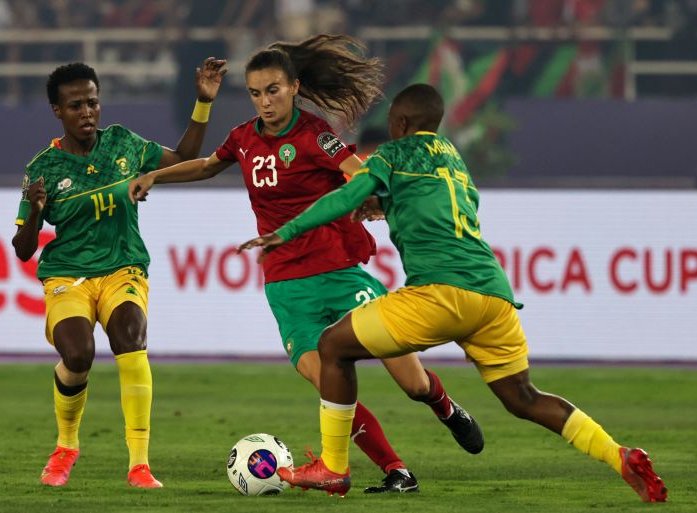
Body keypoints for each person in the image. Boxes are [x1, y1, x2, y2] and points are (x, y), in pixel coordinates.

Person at [238, 83, 668, 502]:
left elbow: (345, 196)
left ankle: (333, 468)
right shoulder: (453, 158)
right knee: (524, 398)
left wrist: (287, 232)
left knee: (333, 346)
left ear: (402, 121)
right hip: (494, 298)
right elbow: (423, 204)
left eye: (391, 122)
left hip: (440, 293)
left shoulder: (393, 153)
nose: (389, 130)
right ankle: (620, 455)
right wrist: (386, 205)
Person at [128, 35, 484, 493]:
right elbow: (206, 165)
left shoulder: (314, 134)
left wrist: (372, 196)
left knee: (412, 382)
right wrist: (156, 174)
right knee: (331, 388)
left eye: (273, 90)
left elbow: (356, 170)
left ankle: (446, 408)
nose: (264, 101)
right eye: (256, 93)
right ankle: (397, 470)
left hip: (339, 273)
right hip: (286, 286)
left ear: (294, 86)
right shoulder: (242, 138)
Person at [12, 59, 227, 488]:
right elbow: (22, 250)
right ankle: (67, 445)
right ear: (58, 110)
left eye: (92, 102)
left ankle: (140, 465)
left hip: (122, 268)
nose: (87, 112)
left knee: (130, 338)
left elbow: (185, 157)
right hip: (67, 276)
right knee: (77, 356)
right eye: (76, 105)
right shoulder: (43, 170)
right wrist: (35, 215)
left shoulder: (123, 144)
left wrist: (203, 103)